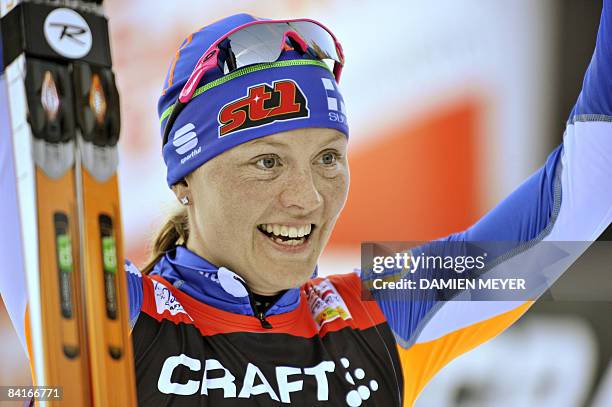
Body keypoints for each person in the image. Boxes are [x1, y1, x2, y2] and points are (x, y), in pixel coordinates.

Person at [5, 5, 612, 407]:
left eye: (327, 157)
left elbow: (578, 205)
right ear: (185, 178)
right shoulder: (117, 312)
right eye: (265, 162)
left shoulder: (385, 308)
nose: (307, 197)